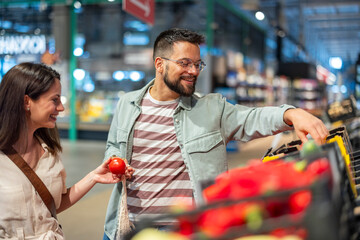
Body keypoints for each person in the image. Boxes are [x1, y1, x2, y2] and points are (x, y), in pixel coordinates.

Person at [102, 28, 329, 240]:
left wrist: (292, 113)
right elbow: (113, 147)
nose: (193, 71)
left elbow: (251, 118)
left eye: (198, 64)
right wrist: (115, 160)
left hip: (184, 229)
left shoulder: (212, 109)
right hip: (128, 227)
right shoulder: (127, 104)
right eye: (185, 63)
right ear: (159, 64)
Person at [0, 62, 133, 239]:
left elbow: (53, 204)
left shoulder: (49, 151)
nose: (61, 108)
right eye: (54, 100)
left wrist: (94, 177)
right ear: (27, 102)